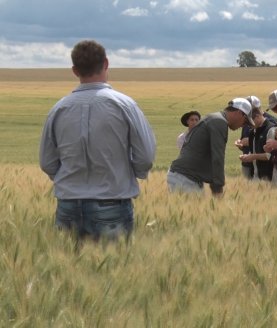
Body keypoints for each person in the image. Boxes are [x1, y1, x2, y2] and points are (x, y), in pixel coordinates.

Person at [39, 40, 156, 242]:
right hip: (112, 202)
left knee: (68, 270)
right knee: (113, 270)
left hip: (68, 204)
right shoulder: (124, 105)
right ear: (106, 63)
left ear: (75, 70)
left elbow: (47, 162)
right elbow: (145, 157)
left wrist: (71, 179)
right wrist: (125, 174)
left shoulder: (59, 109)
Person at [168, 98, 254, 195]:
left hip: (185, 177)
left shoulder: (215, 118)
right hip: (185, 178)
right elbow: (218, 157)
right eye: (246, 121)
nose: (244, 126)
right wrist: (218, 189)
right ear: (238, 113)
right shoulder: (219, 122)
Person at [235, 96, 276, 179]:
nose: (249, 126)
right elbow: (253, 150)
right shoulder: (253, 131)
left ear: (257, 116)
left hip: (269, 176)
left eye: (250, 122)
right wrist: (247, 155)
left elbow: (272, 156)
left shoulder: (271, 128)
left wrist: (252, 157)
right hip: (255, 175)